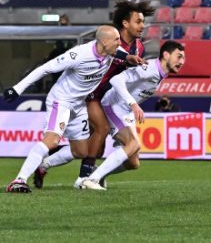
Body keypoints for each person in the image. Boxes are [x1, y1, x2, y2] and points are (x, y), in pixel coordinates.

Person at [33, 0, 155, 190]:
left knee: (93, 147)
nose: (142, 26)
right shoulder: (108, 40)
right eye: (138, 21)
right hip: (91, 93)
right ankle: (85, 176)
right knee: (101, 130)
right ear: (125, 23)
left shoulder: (138, 47)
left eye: (142, 21)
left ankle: (44, 165)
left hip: (111, 98)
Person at [3, 25, 135, 193]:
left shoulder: (111, 50)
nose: (119, 43)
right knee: (52, 140)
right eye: (116, 39)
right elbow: (45, 68)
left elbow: (121, 52)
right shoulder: (78, 55)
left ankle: (43, 165)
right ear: (103, 41)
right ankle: (19, 180)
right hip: (61, 101)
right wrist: (17, 89)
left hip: (79, 104)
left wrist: (130, 57)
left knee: (81, 151)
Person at [81, 40, 185, 190]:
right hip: (112, 105)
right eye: (179, 56)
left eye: (183, 58)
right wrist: (133, 104)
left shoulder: (160, 73)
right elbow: (116, 80)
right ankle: (91, 179)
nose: (181, 61)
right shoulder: (149, 68)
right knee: (133, 144)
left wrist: (131, 106)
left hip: (125, 111)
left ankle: (98, 173)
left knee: (133, 163)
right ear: (166, 55)